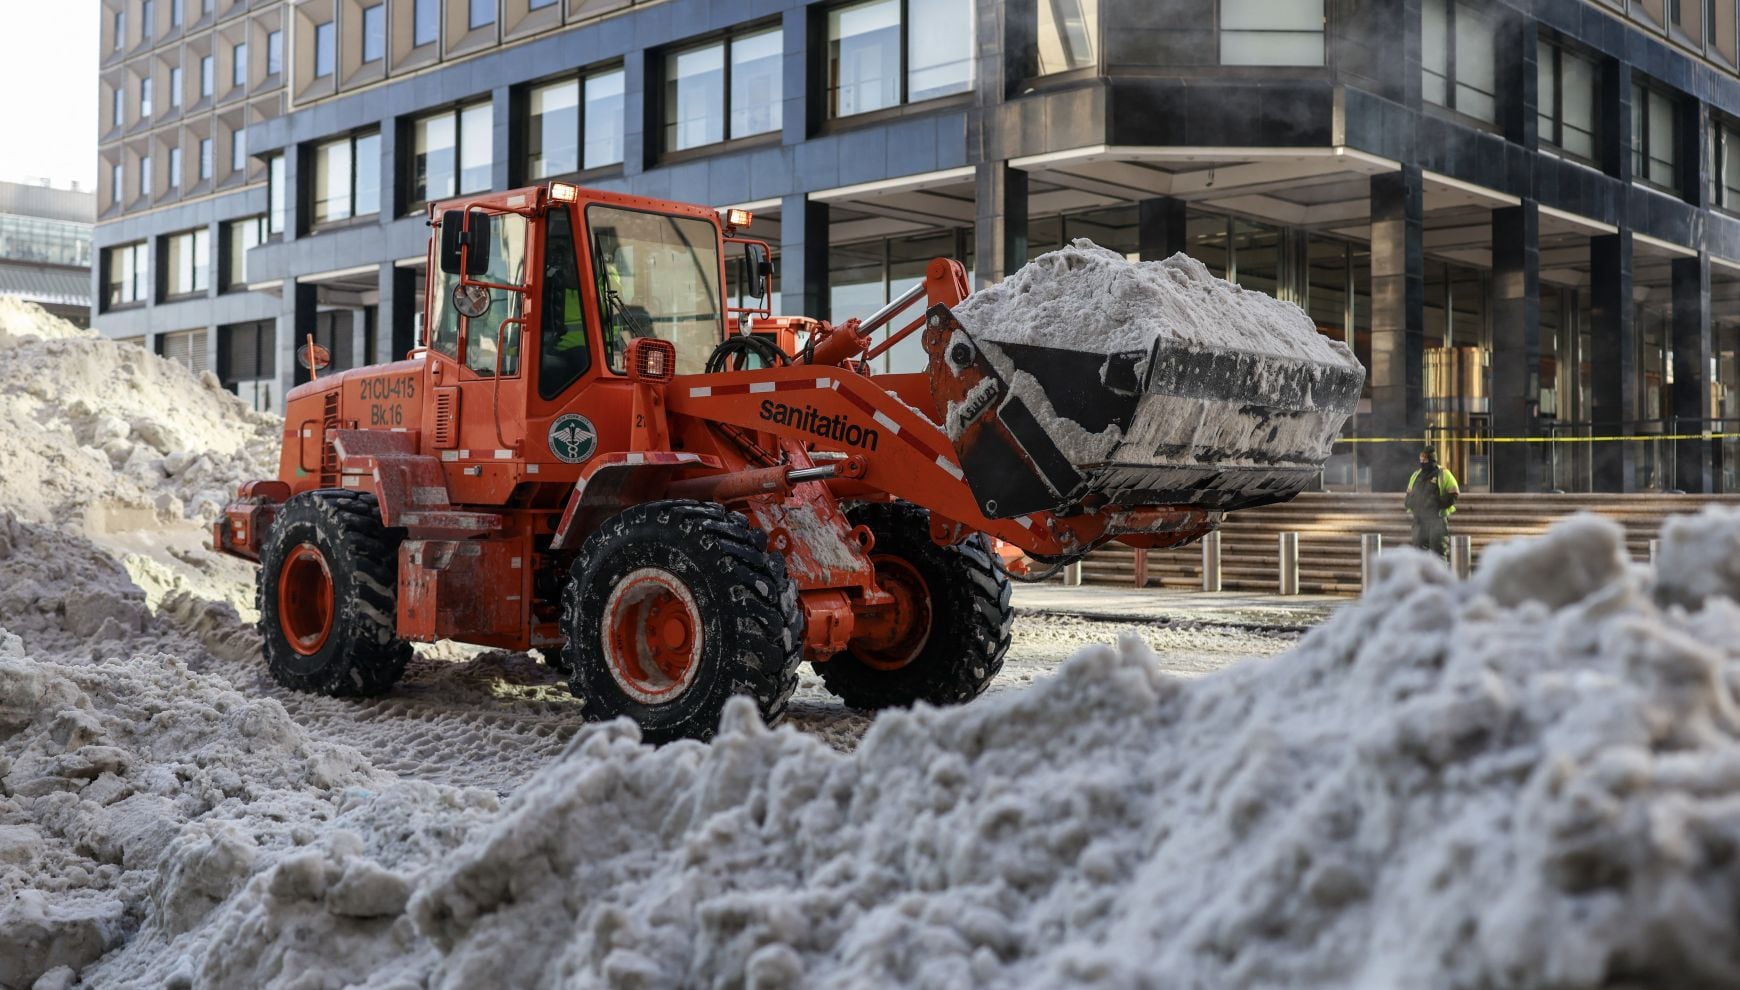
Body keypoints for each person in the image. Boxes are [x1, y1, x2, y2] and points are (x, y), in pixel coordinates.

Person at [1405, 446, 1459, 558]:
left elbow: (1454, 492)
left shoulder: (1443, 474)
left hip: (1436, 521)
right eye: (1421, 459)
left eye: (1425, 460)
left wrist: (1438, 503)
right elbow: (1409, 494)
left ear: (1432, 459)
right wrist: (1410, 502)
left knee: (1437, 554)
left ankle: (1439, 575)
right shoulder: (1416, 475)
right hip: (1419, 521)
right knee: (1418, 555)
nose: (1422, 462)